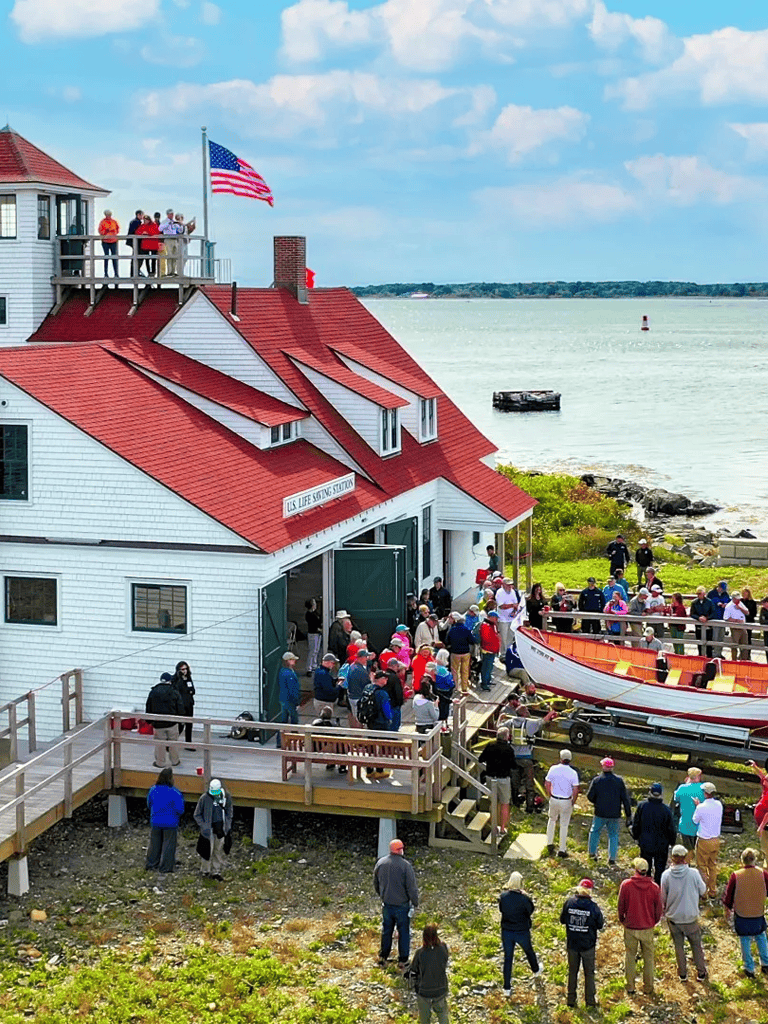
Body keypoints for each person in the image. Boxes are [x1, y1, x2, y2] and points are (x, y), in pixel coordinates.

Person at [661, 844, 708, 981]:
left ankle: (683, 974)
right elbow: (703, 891)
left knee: (679, 946)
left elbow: (662, 897)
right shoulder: (693, 873)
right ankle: (701, 973)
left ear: (672, 858)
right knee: (696, 945)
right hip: (690, 917)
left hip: (674, 918)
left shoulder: (666, 876)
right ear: (685, 857)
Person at [618, 857, 662, 996]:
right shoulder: (654, 887)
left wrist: (623, 919)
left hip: (631, 926)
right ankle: (648, 987)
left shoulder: (626, 885)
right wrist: (653, 921)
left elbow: (621, 905)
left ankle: (630, 987)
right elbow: (659, 908)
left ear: (635, 869)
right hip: (647, 927)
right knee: (648, 958)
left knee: (630, 956)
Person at [722, 848, 768, 978]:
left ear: (742, 861)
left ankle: (749, 968)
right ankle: (766, 963)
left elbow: (729, 894)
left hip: (742, 913)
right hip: (758, 912)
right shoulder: (763, 874)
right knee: (761, 936)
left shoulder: (736, 875)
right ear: (755, 860)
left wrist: (727, 909)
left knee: (745, 939)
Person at [374, 837, 419, 969]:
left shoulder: (380, 863)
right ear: (400, 850)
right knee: (403, 932)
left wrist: (382, 895)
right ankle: (403, 960)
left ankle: (383, 957)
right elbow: (411, 888)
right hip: (402, 906)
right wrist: (415, 902)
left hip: (387, 904)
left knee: (386, 931)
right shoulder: (406, 866)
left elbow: (376, 883)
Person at [560, 878, 604, 1009]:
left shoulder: (569, 903)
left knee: (572, 972)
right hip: (588, 946)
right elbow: (600, 925)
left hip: (572, 944)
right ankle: (590, 1001)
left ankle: (571, 1000)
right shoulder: (593, 907)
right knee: (589, 973)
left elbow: (562, 920)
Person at [504, 705, 557, 814]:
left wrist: (500, 717)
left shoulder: (509, 723)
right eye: (527, 710)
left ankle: (515, 804)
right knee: (529, 784)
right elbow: (543, 721)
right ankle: (529, 807)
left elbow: (499, 728)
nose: (528, 712)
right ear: (524, 713)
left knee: (515, 783)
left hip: (513, 758)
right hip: (526, 758)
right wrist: (551, 713)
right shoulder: (529, 724)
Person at [498, 871, 541, 995]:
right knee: (528, 951)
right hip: (522, 930)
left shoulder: (503, 896)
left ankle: (506, 987)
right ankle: (536, 970)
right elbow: (530, 910)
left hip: (507, 931)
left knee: (508, 958)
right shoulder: (524, 898)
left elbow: (501, 910)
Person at [587, 756, 632, 864]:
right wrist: (628, 814)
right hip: (614, 814)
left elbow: (590, 796)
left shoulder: (597, 780)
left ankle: (592, 853)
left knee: (595, 832)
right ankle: (612, 858)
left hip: (600, 812)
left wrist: (596, 803)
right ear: (612, 767)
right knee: (613, 835)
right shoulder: (619, 781)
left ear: (603, 766)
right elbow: (625, 799)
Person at [631, 783, 677, 884]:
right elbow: (671, 829)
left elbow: (636, 824)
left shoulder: (642, 806)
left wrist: (635, 836)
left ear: (650, 792)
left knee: (645, 866)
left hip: (645, 842)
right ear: (661, 794)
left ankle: (645, 885)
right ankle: (657, 887)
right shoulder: (666, 810)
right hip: (661, 845)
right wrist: (672, 841)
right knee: (660, 868)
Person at [478, 726, 518, 835]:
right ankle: (502, 828)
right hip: (503, 779)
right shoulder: (509, 749)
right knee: (505, 803)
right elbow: (513, 766)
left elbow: (481, 759)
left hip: (490, 777)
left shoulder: (490, 746)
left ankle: (493, 826)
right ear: (506, 737)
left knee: (493, 803)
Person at [145, 767, 185, 874]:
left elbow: (149, 803)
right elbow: (180, 809)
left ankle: (151, 864)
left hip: (156, 821)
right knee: (169, 845)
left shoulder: (153, 790)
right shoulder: (175, 792)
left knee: (154, 844)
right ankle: (166, 867)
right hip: (170, 823)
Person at [408, 924, 450, 1024]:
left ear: (423, 937)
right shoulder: (443, 948)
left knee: (424, 1018)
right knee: (442, 1014)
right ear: (436, 935)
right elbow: (445, 961)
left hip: (424, 991)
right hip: (441, 989)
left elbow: (414, 971)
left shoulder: (420, 953)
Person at [193, 778, 232, 881]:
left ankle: (216, 872)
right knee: (207, 852)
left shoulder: (226, 797)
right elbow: (197, 814)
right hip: (208, 830)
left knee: (218, 850)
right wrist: (204, 826)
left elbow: (229, 811)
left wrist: (227, 826)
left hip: (220, 829)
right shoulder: (204, 798)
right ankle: (205, 871)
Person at [545, 748, 580, 858]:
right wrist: (573, 801)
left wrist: (549, 794)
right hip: (566, 800)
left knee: (552, 820)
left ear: (560, 758)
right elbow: (575, 789)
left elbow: (547, 783)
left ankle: (549, 843)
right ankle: (562, 849)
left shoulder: (553, 769)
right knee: (564, 825)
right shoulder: (573, 773)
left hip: (554, 798)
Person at [145, 672, 183, 768]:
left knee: (160, 744)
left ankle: (160, 762)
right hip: (172, 723)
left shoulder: (153, 691)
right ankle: (175, 761)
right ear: (170, 681)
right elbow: (180, 706)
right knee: (173, 743)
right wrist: (180, 719)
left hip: (158, 724)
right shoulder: (174, 691)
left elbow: (148, 707)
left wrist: (149, 721)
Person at [692, 781, 723, 900]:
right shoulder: (719, 804)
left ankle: (703, 891)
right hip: (716, 839)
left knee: (702, 866)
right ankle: (713, 890)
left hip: (704, 840)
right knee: (712, 865)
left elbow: (695, 820)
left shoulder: (701, 807)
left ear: (705, 793)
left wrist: (697, 806)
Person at [673, 767, 705, 861]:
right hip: (700, 825)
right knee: (699, 848)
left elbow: (676, 798)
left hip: (685, 824)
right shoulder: (703, 788)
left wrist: (686, 784)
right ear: (698, 776)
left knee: (687, 849)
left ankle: (687, 863)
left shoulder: (682, 788)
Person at [747, 758, 768, 866]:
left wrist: (761, 826)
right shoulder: (766, 783)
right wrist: (755, 767)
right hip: (762, 820)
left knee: (766, 847)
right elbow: (763, 777)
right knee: (764, 846)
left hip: (765, 823)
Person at [446, 613, 473, 694]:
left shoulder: (452, 630)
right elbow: (472, 641)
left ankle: (456, 687)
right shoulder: (467, 629)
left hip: (455, 653)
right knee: (465, 671)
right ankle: (464, 688)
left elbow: (447, 641)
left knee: (455, 671)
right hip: (465, 653)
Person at [171, 660, 195, 749]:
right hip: (181, 705)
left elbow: (193, 690)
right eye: (182, 669)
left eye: (186, 669)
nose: (184, 671)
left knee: (189, 725)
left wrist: (190, 691)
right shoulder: (176, 679)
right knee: (180, 724)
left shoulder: (188, 678)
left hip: (189, 704)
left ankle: (188, 744)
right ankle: (172, 742)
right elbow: (177, 690)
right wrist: (181, 678)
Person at [495, 578, 522, 653]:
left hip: (511, 618)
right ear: (503, 585)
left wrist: (514, 610)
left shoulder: (513, 592)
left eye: (511, 585)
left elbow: (516, 604)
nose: (510, 587)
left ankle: (509, 652)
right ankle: (503, 653)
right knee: (503, 637)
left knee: (510, 636)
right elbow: (501, 606)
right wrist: (512, 605)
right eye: (508, 585)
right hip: (502, 618)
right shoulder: (499, 592)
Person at [278, 652, 301, 734]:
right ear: (288, 661)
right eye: (292, 659)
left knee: (283, 721)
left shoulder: (282, 671)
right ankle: (294, 738)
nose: (294, 661)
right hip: (290, 701)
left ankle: (279, 741)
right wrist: (297, 702)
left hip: (283, 699)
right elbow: (293, 690)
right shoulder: (289, 674)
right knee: (294, 721)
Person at [347, 647, 372, 723]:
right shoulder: (360, 671)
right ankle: (358, 733)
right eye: (366, 657)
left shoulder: (352, 666)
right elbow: (368, 685)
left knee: (356, 717)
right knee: (360, 720)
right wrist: (372, 679)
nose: (367, 659)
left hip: (352, 696)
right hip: (358, 698)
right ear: (361, 658)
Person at [313, 652, 341, 717]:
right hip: (324, 702)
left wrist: (335, 681)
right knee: (325, 721)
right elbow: (329, 690)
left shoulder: (319, 670)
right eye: (333, 663)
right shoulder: (323, 674)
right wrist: (339, 686)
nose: (333, 665)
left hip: (321, 700)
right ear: (327, 662)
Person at [690, 586, 715, 658]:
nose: (699, 595)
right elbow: (692, 613)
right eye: (698, 594)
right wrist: (698, 618)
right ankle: (700, 656)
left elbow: (713, 613)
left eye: (700, 594)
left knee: (709, 644)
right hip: (698, 626)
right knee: (699, 643)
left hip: (708, 627)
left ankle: (709, 658)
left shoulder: (709, 602)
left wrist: (707, 618)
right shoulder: (694, 603)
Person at [723, 590, 749, 660]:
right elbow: (726, 618)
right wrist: (736, 621)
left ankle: (744, 659)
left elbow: (747, 612)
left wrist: (740, 608)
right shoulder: (729, 606)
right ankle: (734, 660)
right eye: (737, 599)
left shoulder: (740, 603)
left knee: (745, 644)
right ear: (733, 599)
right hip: (735, 628)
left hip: (743, 626)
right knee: (734, 645)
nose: (739, 600)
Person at [707, 580, 730, 656]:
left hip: (722, 618)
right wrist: (718, 603)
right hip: (714, 618)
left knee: (721, 636)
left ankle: (719, 652)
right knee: (715, 636)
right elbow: (710, 602)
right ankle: (714, 653)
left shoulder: (725, 594)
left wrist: (726, 604)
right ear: (718, 587)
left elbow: (728, 601)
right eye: (722, 589)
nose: (723, 591)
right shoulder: (712, 593)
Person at [479, 610, 500, 691]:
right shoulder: (485, 626)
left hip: (492, 649)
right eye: (495, 618)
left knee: (490, 666)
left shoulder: (492, 625)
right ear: (491, 617)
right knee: (486, 667)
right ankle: (484, 683)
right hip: (487, 650)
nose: (497, 620)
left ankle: (488, 680)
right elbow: (486, 638)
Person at [98, 209, 120, 277]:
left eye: (109, 215)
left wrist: (113, 232)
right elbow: (100, 231)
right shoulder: (102, 222)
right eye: (107, 215)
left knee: (114, 257)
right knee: (106, 257)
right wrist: (106, 231)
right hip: (105, 242)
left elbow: (117, 229)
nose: (109, 216)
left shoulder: (114, 221)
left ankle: (116, 273)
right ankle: (106, 273)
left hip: (113, 241)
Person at [304, 598, 322, 676]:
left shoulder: (315, 613)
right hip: (312, 633)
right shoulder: (309, 614)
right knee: (312, 650)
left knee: (316, 650)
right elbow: (313, 623)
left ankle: (314, 665)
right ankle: (309, 668)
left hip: (317, 633)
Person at [741, 587, 757, 660]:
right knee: (741, 639)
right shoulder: (740, 601)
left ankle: (748, 654)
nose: (744, 594)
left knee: (748, 638)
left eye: (746, 593)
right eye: (743, 593)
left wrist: (747, 614)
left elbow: (754, 613)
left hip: (749, 622)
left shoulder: (752, 602)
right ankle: (741, 653)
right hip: (741, 622)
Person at [126, 208, 143, 274]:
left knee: (136, 256)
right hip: (135, 241)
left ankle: (135, 271)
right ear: (138, 215)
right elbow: (135, 232)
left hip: (134, 241)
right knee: (137, 256)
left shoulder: (134, 221)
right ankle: (135, 271)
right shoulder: (136, 222)